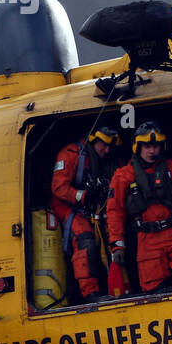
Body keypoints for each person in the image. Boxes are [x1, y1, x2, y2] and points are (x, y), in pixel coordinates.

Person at [107, 122, 172, 293]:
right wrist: (118, 245)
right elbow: (115, 211)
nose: (152, 151)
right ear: (138, 147)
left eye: (156, 146)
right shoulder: (123, 176)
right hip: (147, 239)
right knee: (154, 289)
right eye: (147, 146)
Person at [50, 124, 121, 302]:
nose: (107, 149)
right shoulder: (71, 154)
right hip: (69, 208)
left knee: (113, 238)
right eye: (103, 145)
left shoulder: (110, 160)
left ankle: (116, 288)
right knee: (85, 239)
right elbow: (58, 187)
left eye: (110, 146)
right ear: (92, 140)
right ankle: (90, 293)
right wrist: (81, 196)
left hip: (95, 210)